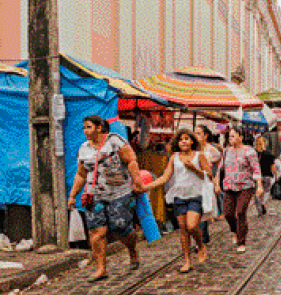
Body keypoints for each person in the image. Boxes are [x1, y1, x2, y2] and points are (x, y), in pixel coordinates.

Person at [68, 115, 146, 282]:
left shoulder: (114, 141)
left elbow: (131, 160)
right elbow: (81, 174)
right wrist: (73, 195)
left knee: (120, 227)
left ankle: (132, 249)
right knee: (97, 232)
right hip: (94, 195)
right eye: (84, 128)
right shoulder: (84, 149)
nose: (85, 131)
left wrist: (137, 180)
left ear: (99, 127)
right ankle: (101, 268)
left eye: (89, 127)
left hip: (119, 193)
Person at [146, 129, 211, 272]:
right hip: (179, 197)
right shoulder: (174, 157)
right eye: (181, 139)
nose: (184, 142)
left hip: (195, 195)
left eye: (187, 139)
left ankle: (200, 245)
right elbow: (165, 177)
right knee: (183, 230)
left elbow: (209, 175)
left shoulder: (199, 156)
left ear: (192, 141)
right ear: (177, 142)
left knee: (192, 226)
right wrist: (146, 186)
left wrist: (194, 168)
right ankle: (187, 261)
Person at [214, 127, 263, 253]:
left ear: (241, 137)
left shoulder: (249, 151)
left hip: (245, 186)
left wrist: (259, 185)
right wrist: (216, 183)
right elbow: (220, 168)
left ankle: (242, 241)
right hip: (229, 186)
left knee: (241, 212)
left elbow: (256, 169)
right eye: (229, 136)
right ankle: (235, 231)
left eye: (233, 136)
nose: (231, 138)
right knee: (228, 213)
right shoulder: (226, 151)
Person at [195, 125, 221, 245]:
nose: (196, 135)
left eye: (199, 133)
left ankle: (202, 237)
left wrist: (216, 181)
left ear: (205, 136)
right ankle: (201, 238)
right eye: (195, 133)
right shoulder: (192, 148)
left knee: (204, 211)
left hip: (206, 184)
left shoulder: (212, 150)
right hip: (193, 184)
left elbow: (218, 164)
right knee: (196, 212)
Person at [253, 136, 277, 216]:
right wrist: (276, 175)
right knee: (267, 191)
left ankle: (259, 209)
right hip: (267, 175)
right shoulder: (268, 153)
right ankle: (263, 203)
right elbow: (273, 166)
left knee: (257, 193)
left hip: (257, 177)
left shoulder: (254, 153)